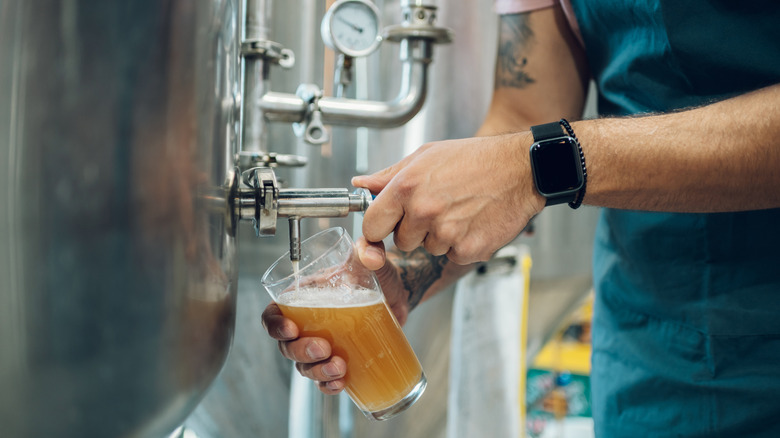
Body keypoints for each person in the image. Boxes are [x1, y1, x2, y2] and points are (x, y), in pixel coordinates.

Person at [263, 0, 780, 435]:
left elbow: (528, 153)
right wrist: (407, 272)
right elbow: (528, 107)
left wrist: (536, 165)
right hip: (652, 342)